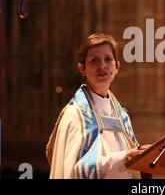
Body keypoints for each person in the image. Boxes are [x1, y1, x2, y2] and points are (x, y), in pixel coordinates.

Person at [46, 33, 151, 179]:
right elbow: (74, 171)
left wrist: (142, 156)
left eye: (108, 59)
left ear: (117, 67)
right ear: (82, 68)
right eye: (94, 60)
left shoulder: (121, 116)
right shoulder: (75, 114)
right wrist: (123, 158)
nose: (102, 66)